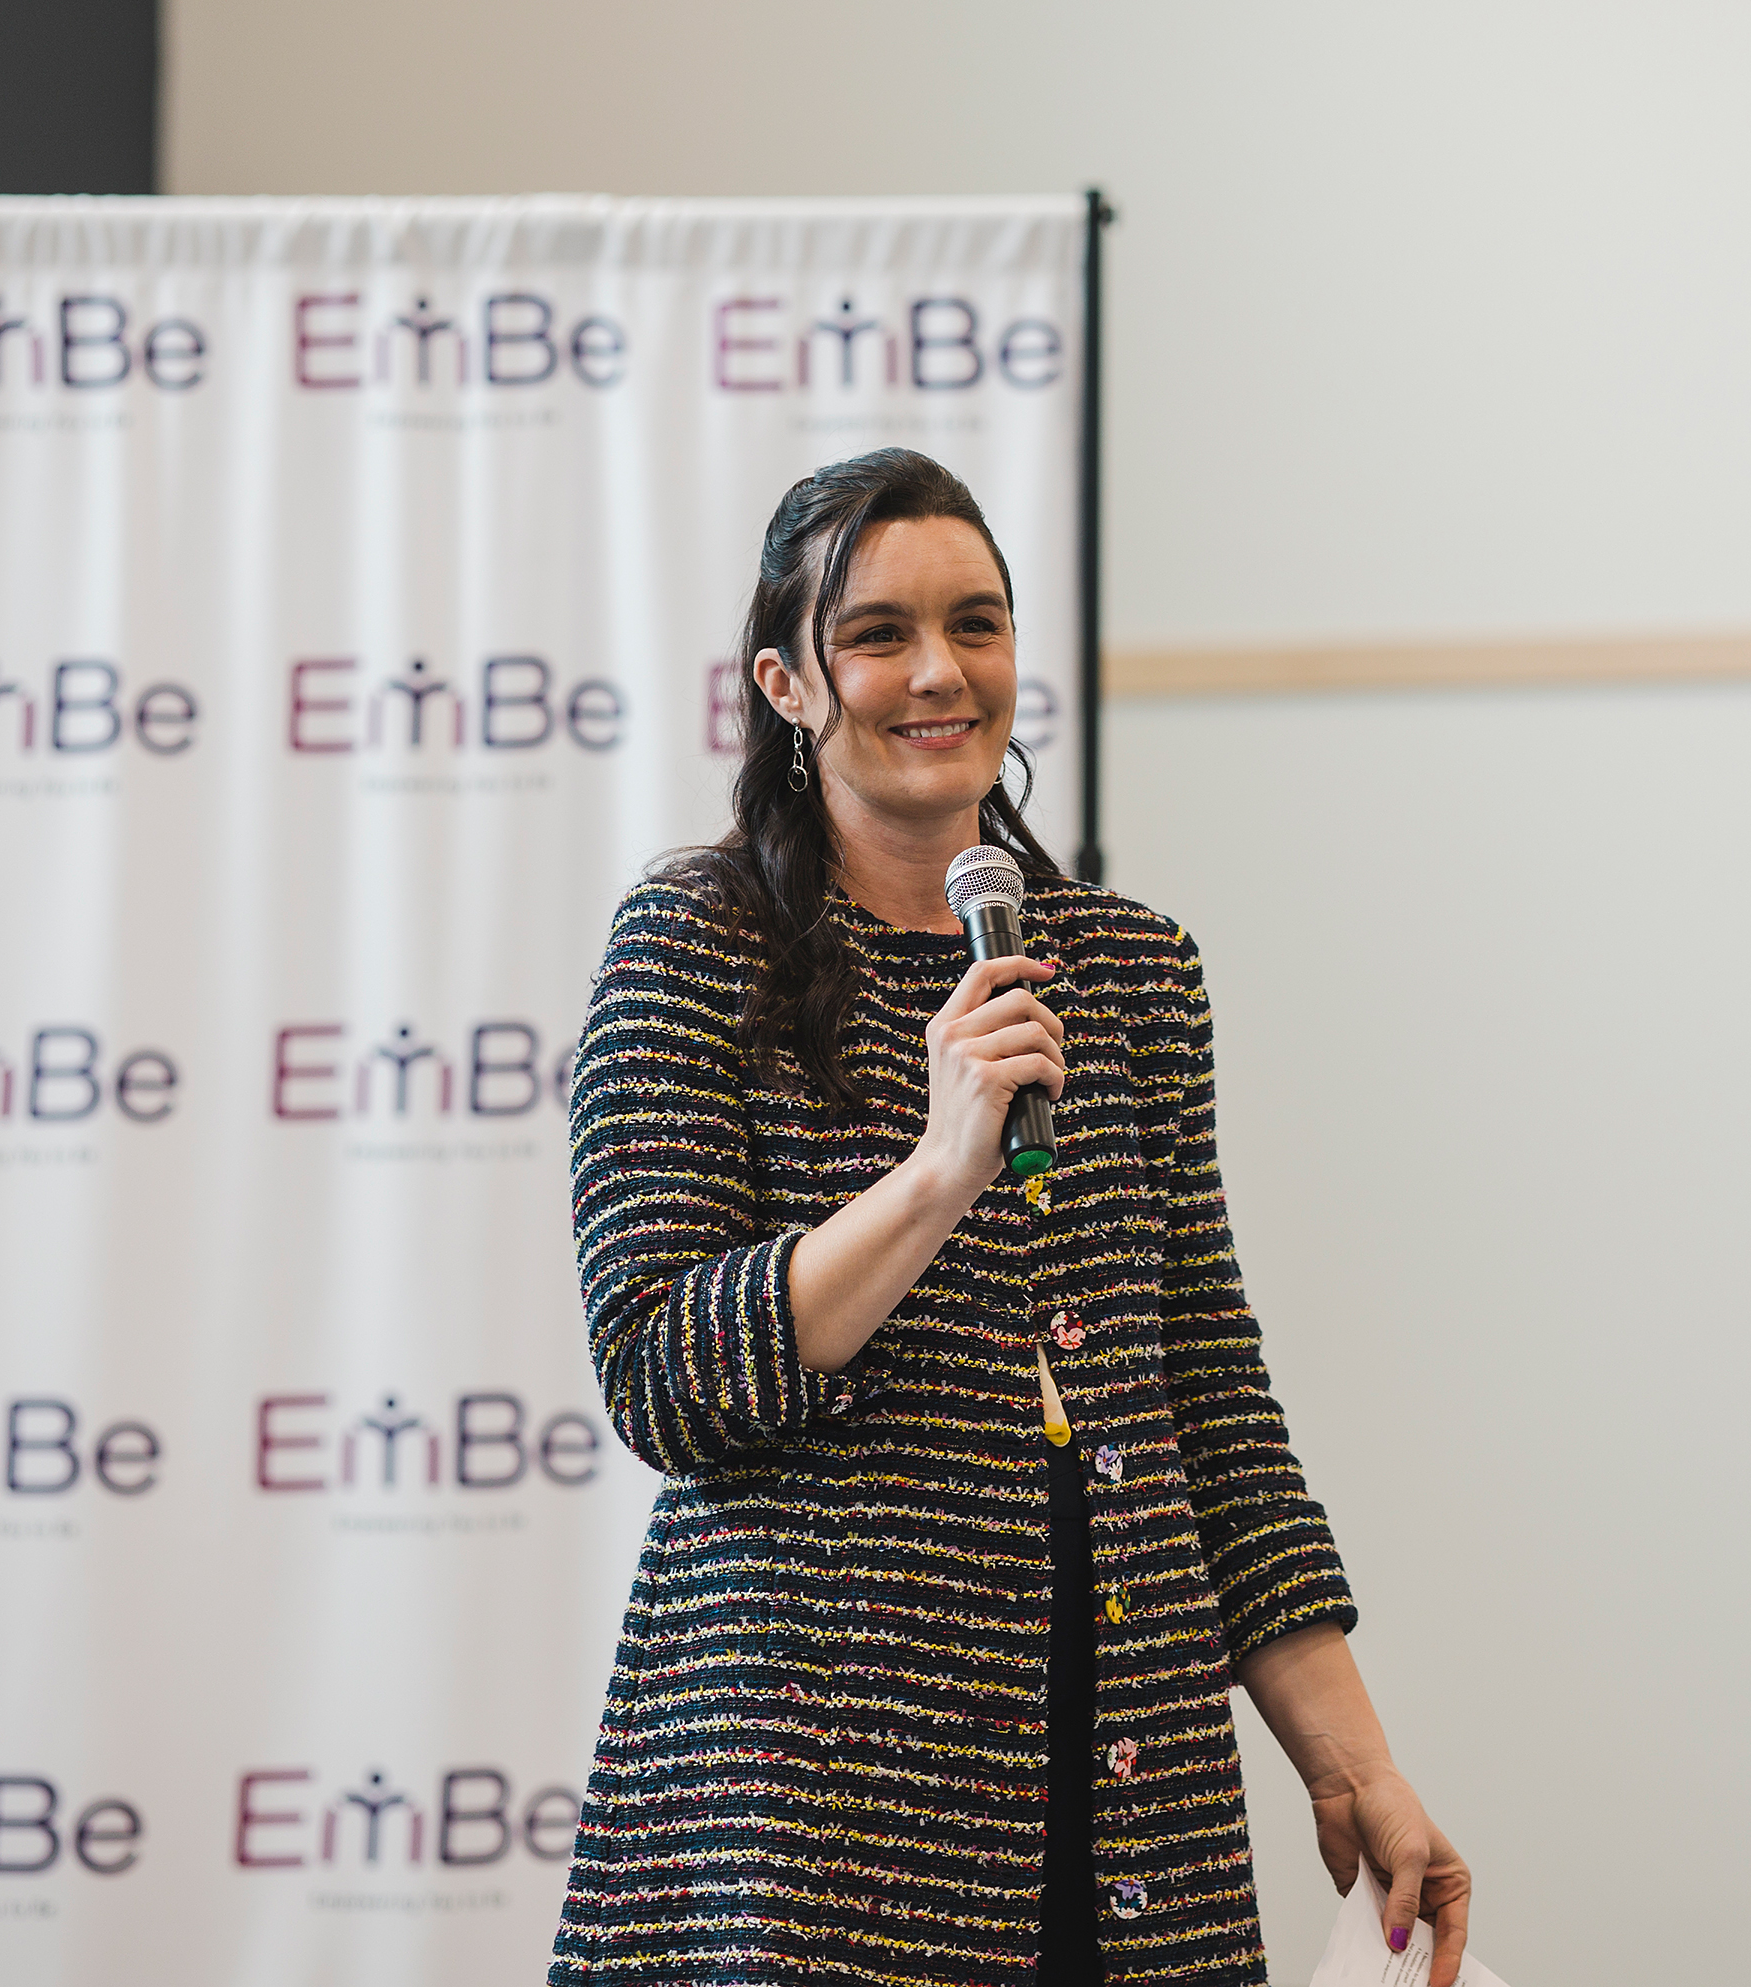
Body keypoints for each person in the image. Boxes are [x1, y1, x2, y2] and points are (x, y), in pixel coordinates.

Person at [550, 449, 1472, 1987]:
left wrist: (1349, 1763)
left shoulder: (1124, 972)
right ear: (784, 682)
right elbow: (663, 1379)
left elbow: (1208, 1402)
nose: (938, 673)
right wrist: (935, 1170)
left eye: (977, 624)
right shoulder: (696, 944)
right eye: (878, 633)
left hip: (1124, 1782)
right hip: (815, 1805)